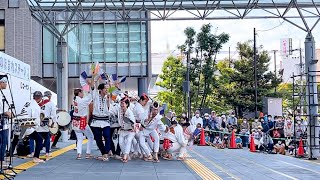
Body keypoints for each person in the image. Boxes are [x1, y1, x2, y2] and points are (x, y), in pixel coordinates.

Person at [90, 83, 114, 161]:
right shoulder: (96, 97)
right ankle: (104, 153)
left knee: (107, 137)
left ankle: (106, 154)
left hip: (105, 121)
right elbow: (93, 87)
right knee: (98, 139)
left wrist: (111, 85)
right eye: (105, 88)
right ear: (100, 89)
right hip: (96, 121)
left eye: (107, 88)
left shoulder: (109, 97)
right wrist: (94, 76)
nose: (106, 90)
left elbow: (113, 92)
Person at [72, 88, 94, 160]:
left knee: (79, 138)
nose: (83, 94)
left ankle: (79, 154)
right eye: (82, 92)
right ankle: (88, 153)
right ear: (79, 93)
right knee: (90, 136)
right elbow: (90, 96)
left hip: (75, 121)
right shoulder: (82, 101)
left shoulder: (74, 100)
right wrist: (91, 88)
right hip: (82, 121)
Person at [23, 91, 45, 163]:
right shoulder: (35, 106)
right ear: (40, 98)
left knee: (15, 140)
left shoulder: (28, 102)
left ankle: (6, 157)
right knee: (39, 139)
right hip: (28, 125)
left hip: (21, 124)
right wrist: (35, 126)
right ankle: (36, 157)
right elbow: (34, 117)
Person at [115, 97, 136, 163]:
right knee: (120, 143)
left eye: (123, 103)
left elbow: (132, 122)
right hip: (122, 130)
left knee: (128, 141)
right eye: (121, 103)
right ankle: (126, 154)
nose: (121, 105)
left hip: (130, 130)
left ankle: (125, 156)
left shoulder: (129, 112)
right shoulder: (119, 110)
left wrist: (132, 126)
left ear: (127, 104)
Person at [0, 75, 12, 167]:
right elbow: (2, 110)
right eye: (5, 82)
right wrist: (9, 114)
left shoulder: (1, 93)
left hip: (3, 121)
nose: (6, 84)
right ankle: (1, 161)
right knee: (3, 141)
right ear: (1, 83)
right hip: (2, 122)